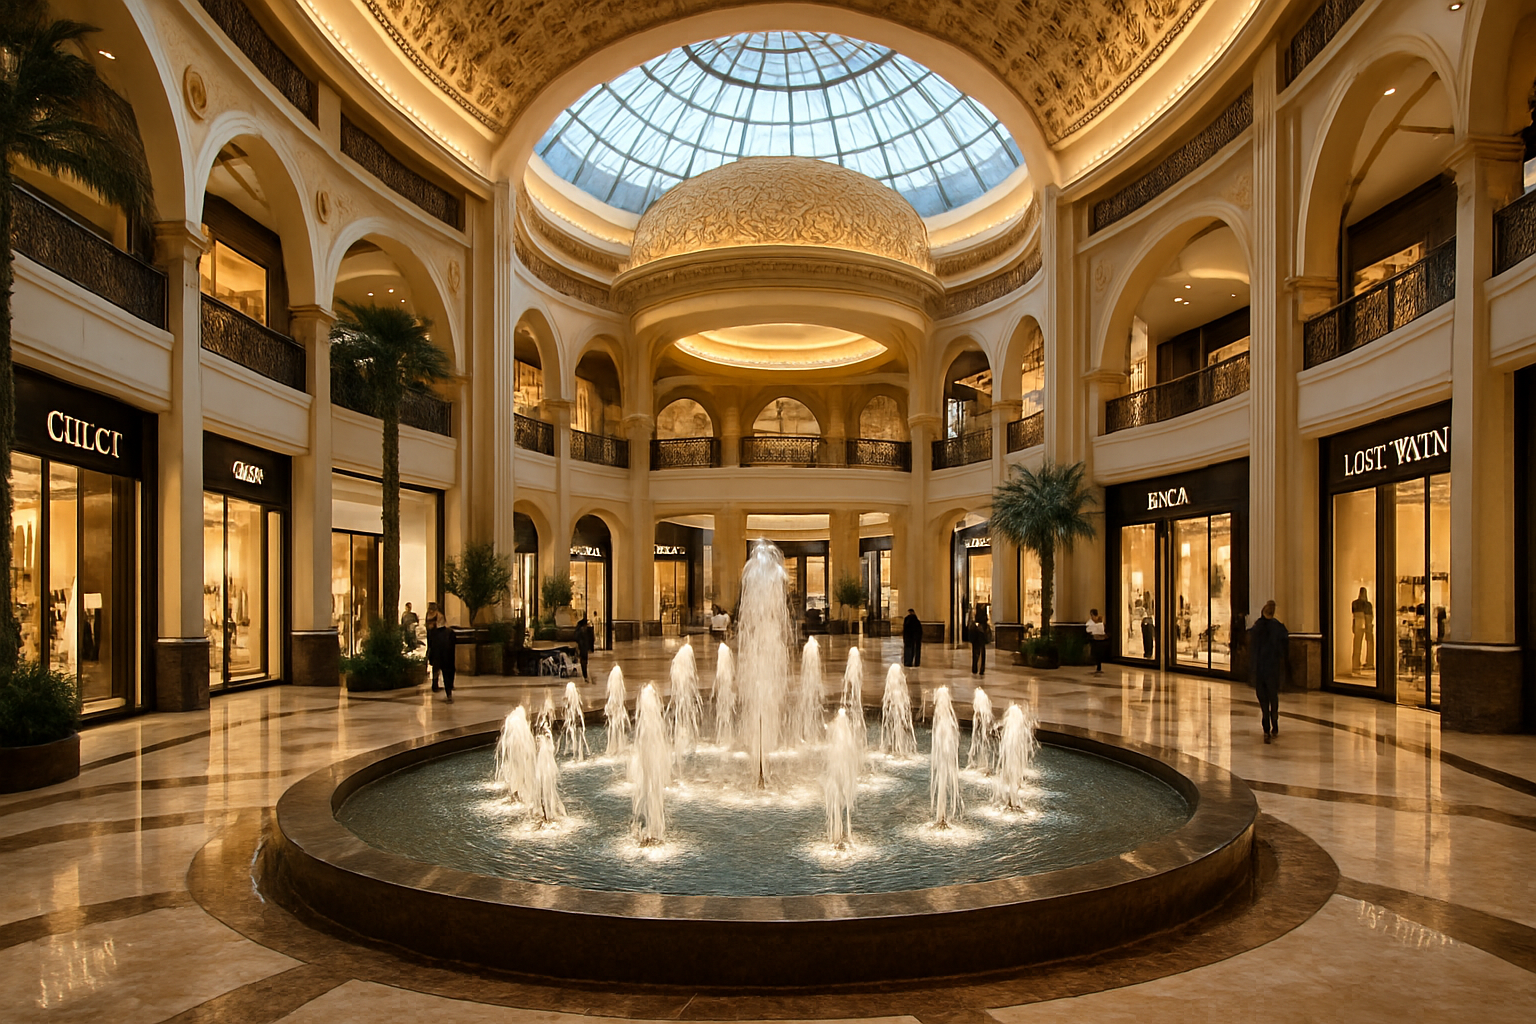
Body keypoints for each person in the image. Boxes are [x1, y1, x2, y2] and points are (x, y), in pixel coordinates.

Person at [1248, 600, 1289, 743]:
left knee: (1264, 699)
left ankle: (1266, 725)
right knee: (1273, 697)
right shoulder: (1278, 628)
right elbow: (1284, 647)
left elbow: (1253, 650)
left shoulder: (1257, 628)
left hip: (1261, 669)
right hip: (1273, 668)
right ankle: (1274, 723)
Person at [428, 616, 456, 703]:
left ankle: (443, 690)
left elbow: (431, 646)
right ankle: (448, 693)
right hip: (448, 657)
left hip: (439, 657)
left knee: (441, 673)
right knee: (448, 675)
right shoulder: (450, 632)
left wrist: (431, 658)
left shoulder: (433, 633)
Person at [1350, 586, 1374, 673]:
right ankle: (1369, 663)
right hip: (1366, 623)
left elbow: (1354, 616)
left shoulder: (1355, 603)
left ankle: (1356, 664)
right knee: (1369, 644)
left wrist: (1354, 626)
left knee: (1357, 644)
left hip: (1359, 623)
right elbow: (1370, 616)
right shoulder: (1368, 604)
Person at [423, 601, 444, 691]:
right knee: (436, 664)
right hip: (435, 644)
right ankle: (435, 684)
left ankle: (435, 684)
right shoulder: (438, 616)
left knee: (436, 664)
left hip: (433, 644)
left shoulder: (430, 616)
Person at [1086, 608, 1107, 674]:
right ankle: (1097, 665)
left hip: (1100, 640)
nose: (1094, 617)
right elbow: (1088, 630)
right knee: (1096, 653)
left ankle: (1099, 667)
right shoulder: (1089, 623)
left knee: (1100, 653)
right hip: (1094, 640)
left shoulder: (1099, 622)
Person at [970, 606, 989, 676]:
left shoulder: (976, 623)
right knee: (982, 652)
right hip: (981, 638)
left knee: (975, 652)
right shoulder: (984, 623)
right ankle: (981, 668)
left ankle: (975, 668)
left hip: (976, 638)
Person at [575, 614, 595, 679]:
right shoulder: (586, 630)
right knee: (584, 660)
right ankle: (585, 674)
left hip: (582, 647)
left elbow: (576, 638)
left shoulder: (580, 630)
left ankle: (585, 674)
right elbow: (591, 638)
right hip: (584, 647)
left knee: (583, 660)